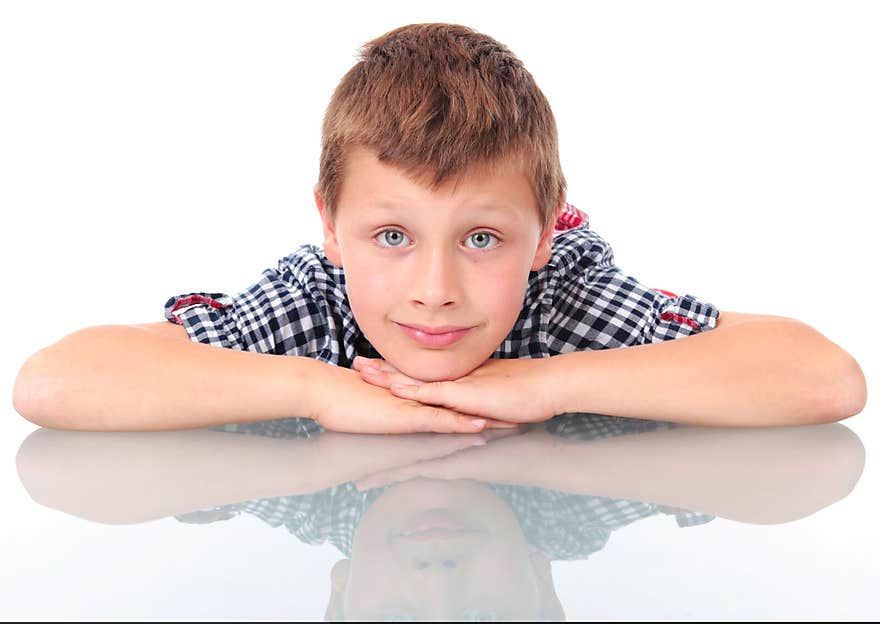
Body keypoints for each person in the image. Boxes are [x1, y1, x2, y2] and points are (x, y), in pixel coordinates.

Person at [12, 23, 866, 434]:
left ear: (544, 237)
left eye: (482, 238)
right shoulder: (317, 309)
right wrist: (318, 392)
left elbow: (823, 381)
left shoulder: (562, 302)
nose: (434, 289)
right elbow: (55, 384)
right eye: (391, 236)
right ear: (332, 230)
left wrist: (544, 384)